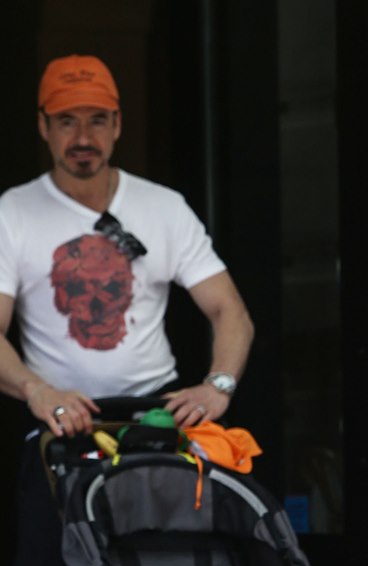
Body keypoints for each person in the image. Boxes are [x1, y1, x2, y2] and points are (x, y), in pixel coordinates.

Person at [0, 54, 254, 565]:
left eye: (97, 120)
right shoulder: (13, 212)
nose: (83, 137)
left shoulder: (163, 207)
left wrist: (218, 385)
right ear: (43, 127)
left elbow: (231, 312)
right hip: (60, 428)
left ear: (118, 125)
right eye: (66, 121)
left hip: (156, 425)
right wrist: (37, 391)